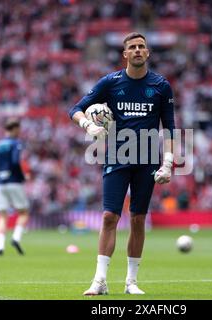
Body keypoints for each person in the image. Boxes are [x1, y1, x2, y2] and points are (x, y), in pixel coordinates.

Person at [68, 32, 175, 295]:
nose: (138, 50)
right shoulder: (110, 82)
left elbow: (169, 127)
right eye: (132, 47)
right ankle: (100, 281)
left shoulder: (161, 86)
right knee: (108, 217)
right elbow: (75, 109)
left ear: (147, 53)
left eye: (142, 47)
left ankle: (131, 282)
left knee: (138, 219)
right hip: (117, 156)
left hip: (148, 159)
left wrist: (168, 163)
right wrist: (88, 125)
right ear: (125, 54)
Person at [0, 119, 30, 256]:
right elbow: (15, 162)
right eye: (19, 129)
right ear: (14, 129)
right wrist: (22, 176)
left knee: (2, 215)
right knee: (23, 212)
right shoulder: (16, 144)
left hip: (1, 184)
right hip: (14, 181)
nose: (20, 132)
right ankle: (16, 238)